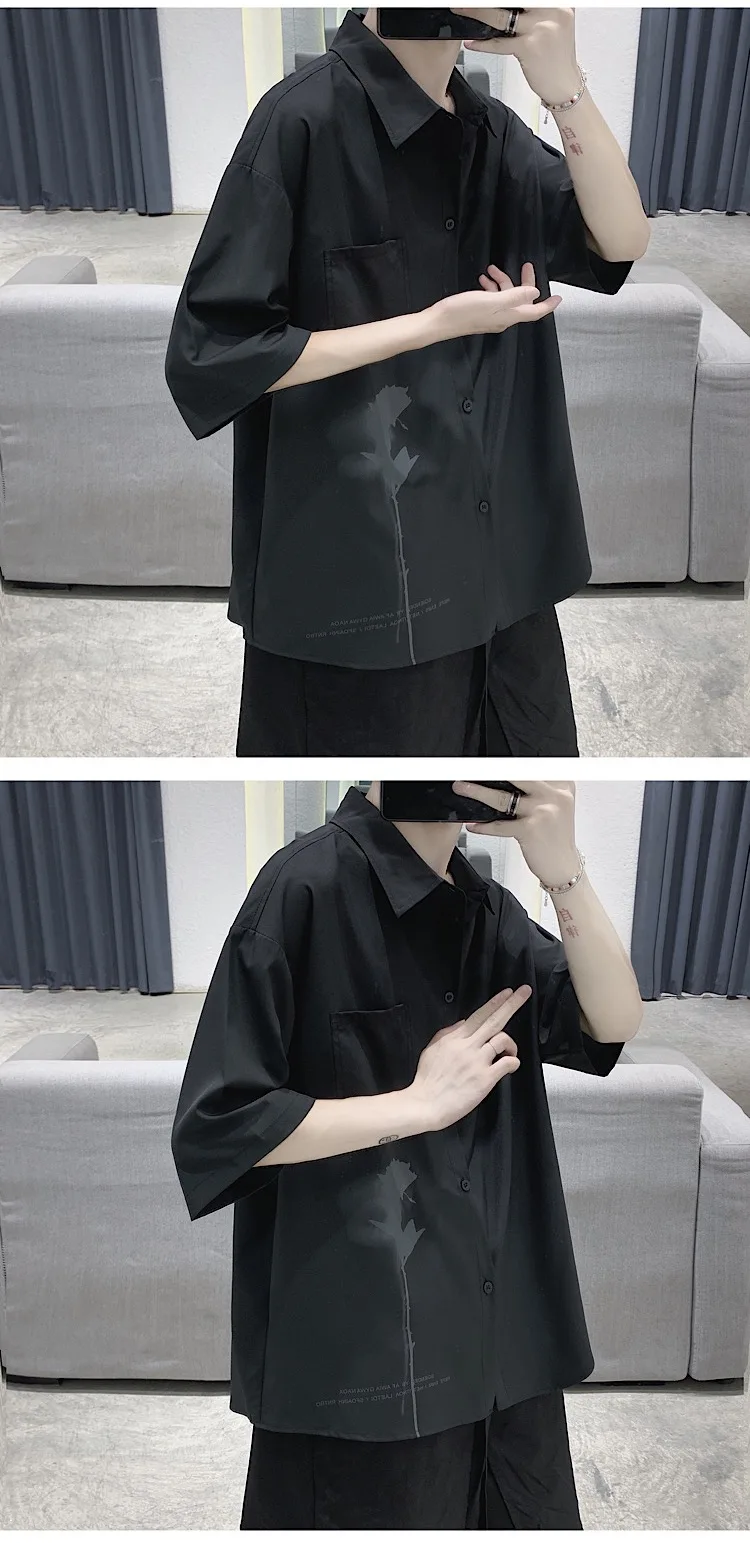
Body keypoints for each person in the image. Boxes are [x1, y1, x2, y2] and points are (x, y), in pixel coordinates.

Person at [164, 8, 650, 757]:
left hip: (499, 580)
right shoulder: (301, 121)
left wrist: (565, 91)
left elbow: (621, 241)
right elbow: (215, 352)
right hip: (362, 595)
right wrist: (431, 325)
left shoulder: (491, 132)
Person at [171, 779, 643, 1528]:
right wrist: (416, 1105)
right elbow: (218, 1125)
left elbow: (611, 1022)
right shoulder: (304, 888)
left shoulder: (488, 908)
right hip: (370, 1364)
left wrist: (564, 872)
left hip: (501, 1352)